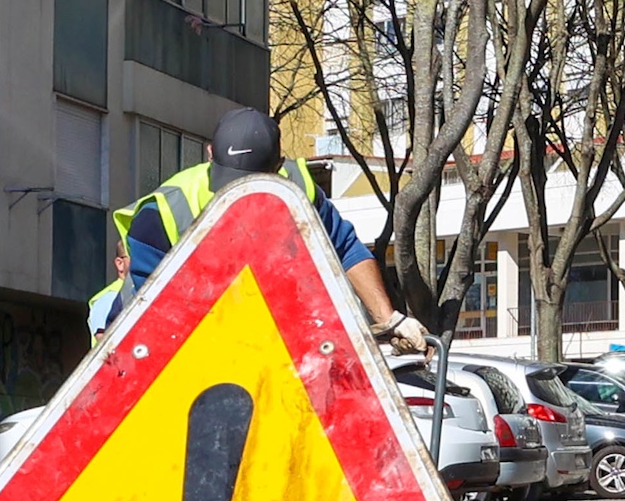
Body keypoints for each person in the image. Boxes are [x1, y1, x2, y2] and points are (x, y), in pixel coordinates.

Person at [114, 107, 429, 353]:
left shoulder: (300, 193)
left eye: (252, 184)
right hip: (159, 344)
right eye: (230, 183)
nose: (240, 195)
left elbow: (346, 250)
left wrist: (389, 319)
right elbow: (151, 321)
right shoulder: (164, 215)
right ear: (209, 154)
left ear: (278, 167)